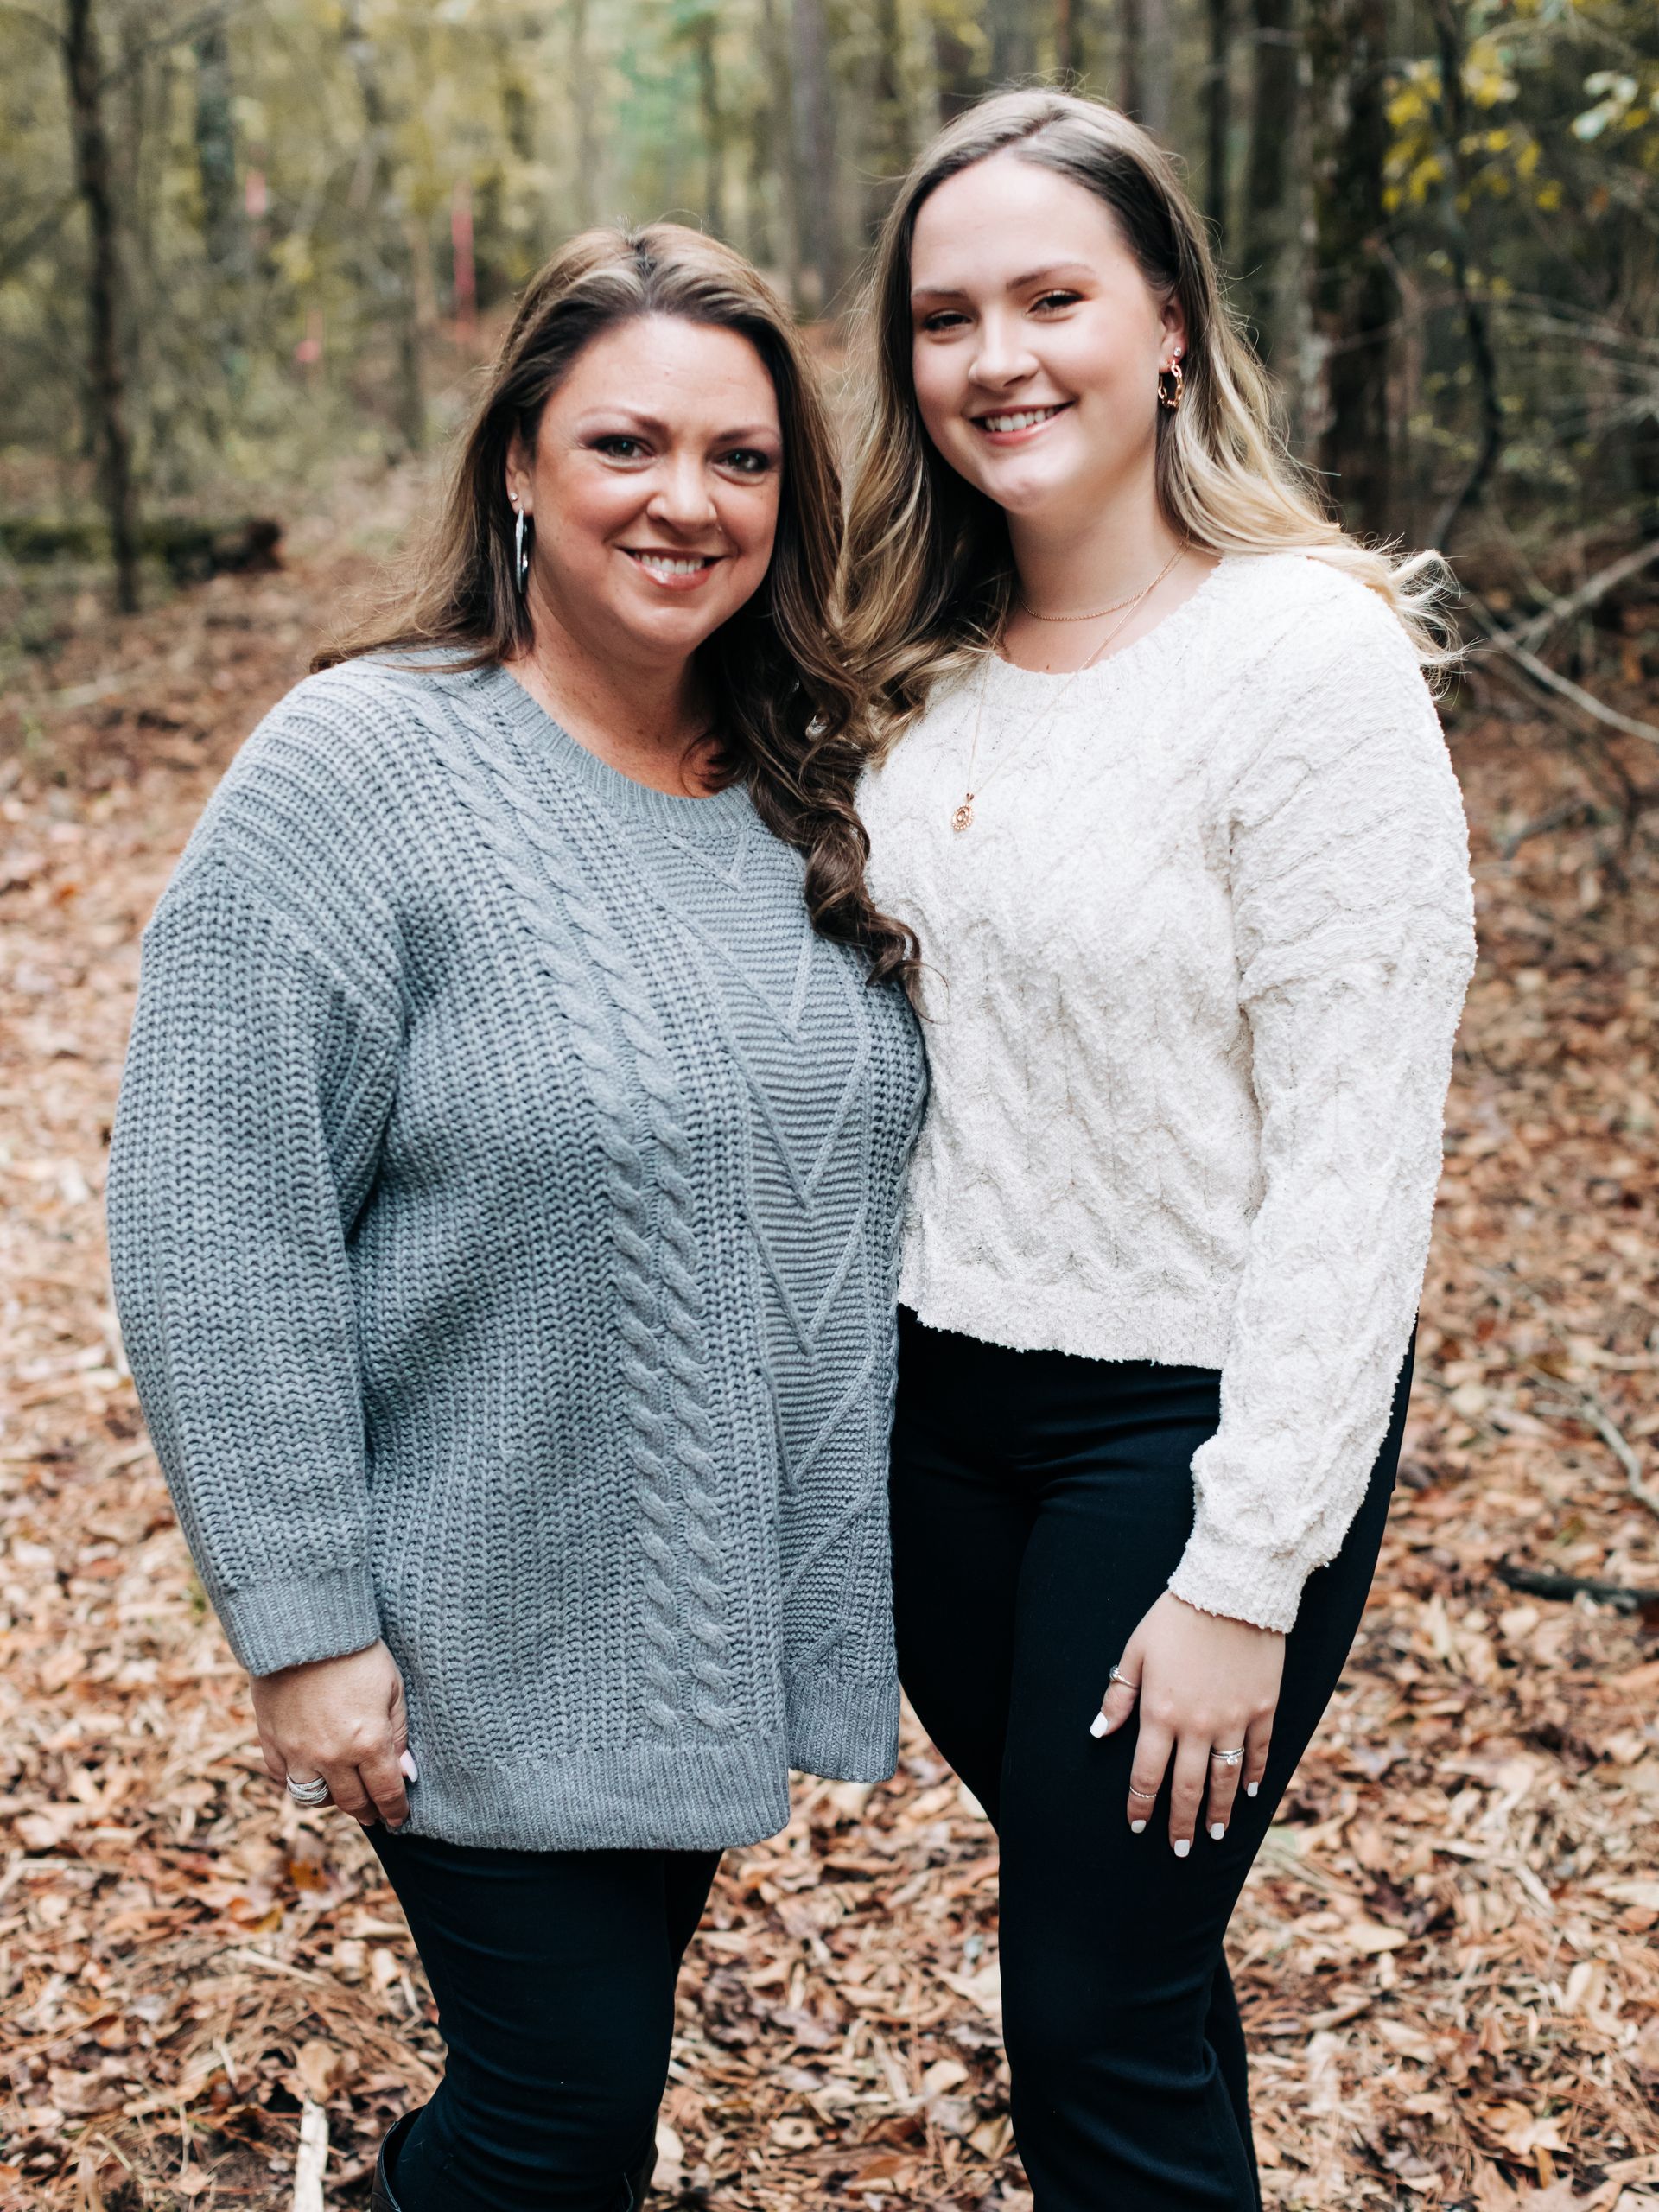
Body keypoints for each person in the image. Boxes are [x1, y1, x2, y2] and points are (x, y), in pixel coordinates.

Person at [106, 224, 925, 2212]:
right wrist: (302, 1620)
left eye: (742, 459)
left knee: (578, 2100)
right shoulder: (363, 765)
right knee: (551, 2125)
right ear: (518, 469)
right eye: (626, 442)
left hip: (687, 1612)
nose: (686, 499)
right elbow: (211, 1215)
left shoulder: (801, 783)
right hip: (475, 1612)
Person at [844, 91, 1476, 2211]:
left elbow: (1359, 1158)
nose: (998, 357)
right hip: (940, 1422)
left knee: (1089, 2013)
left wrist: (1242, 1566)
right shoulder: (908, 678)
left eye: (1053, 297)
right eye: (947, 317)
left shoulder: (1308, 661)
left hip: (1185, 1429)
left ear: (1174, 324)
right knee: (1137, 1957)